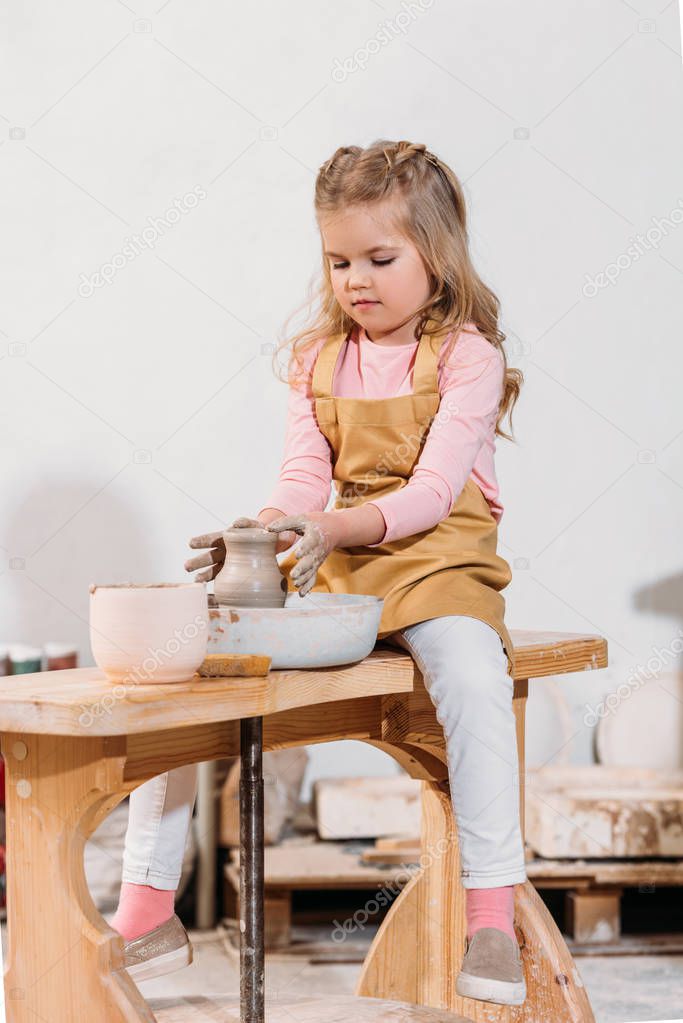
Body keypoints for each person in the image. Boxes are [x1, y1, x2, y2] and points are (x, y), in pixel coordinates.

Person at [110, 138, 527, 1006]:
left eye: (380, 257)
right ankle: (147, 902)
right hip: (340, 561)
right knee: (185, 664)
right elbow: (303, 477)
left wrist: (327, 525)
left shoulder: (466, 356)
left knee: (475, 678)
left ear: (436, 256)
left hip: (439, 557)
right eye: (338, 260)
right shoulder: (317, 357)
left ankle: (490, 914)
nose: (355, 279)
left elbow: (429, 493)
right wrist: (260, 534)